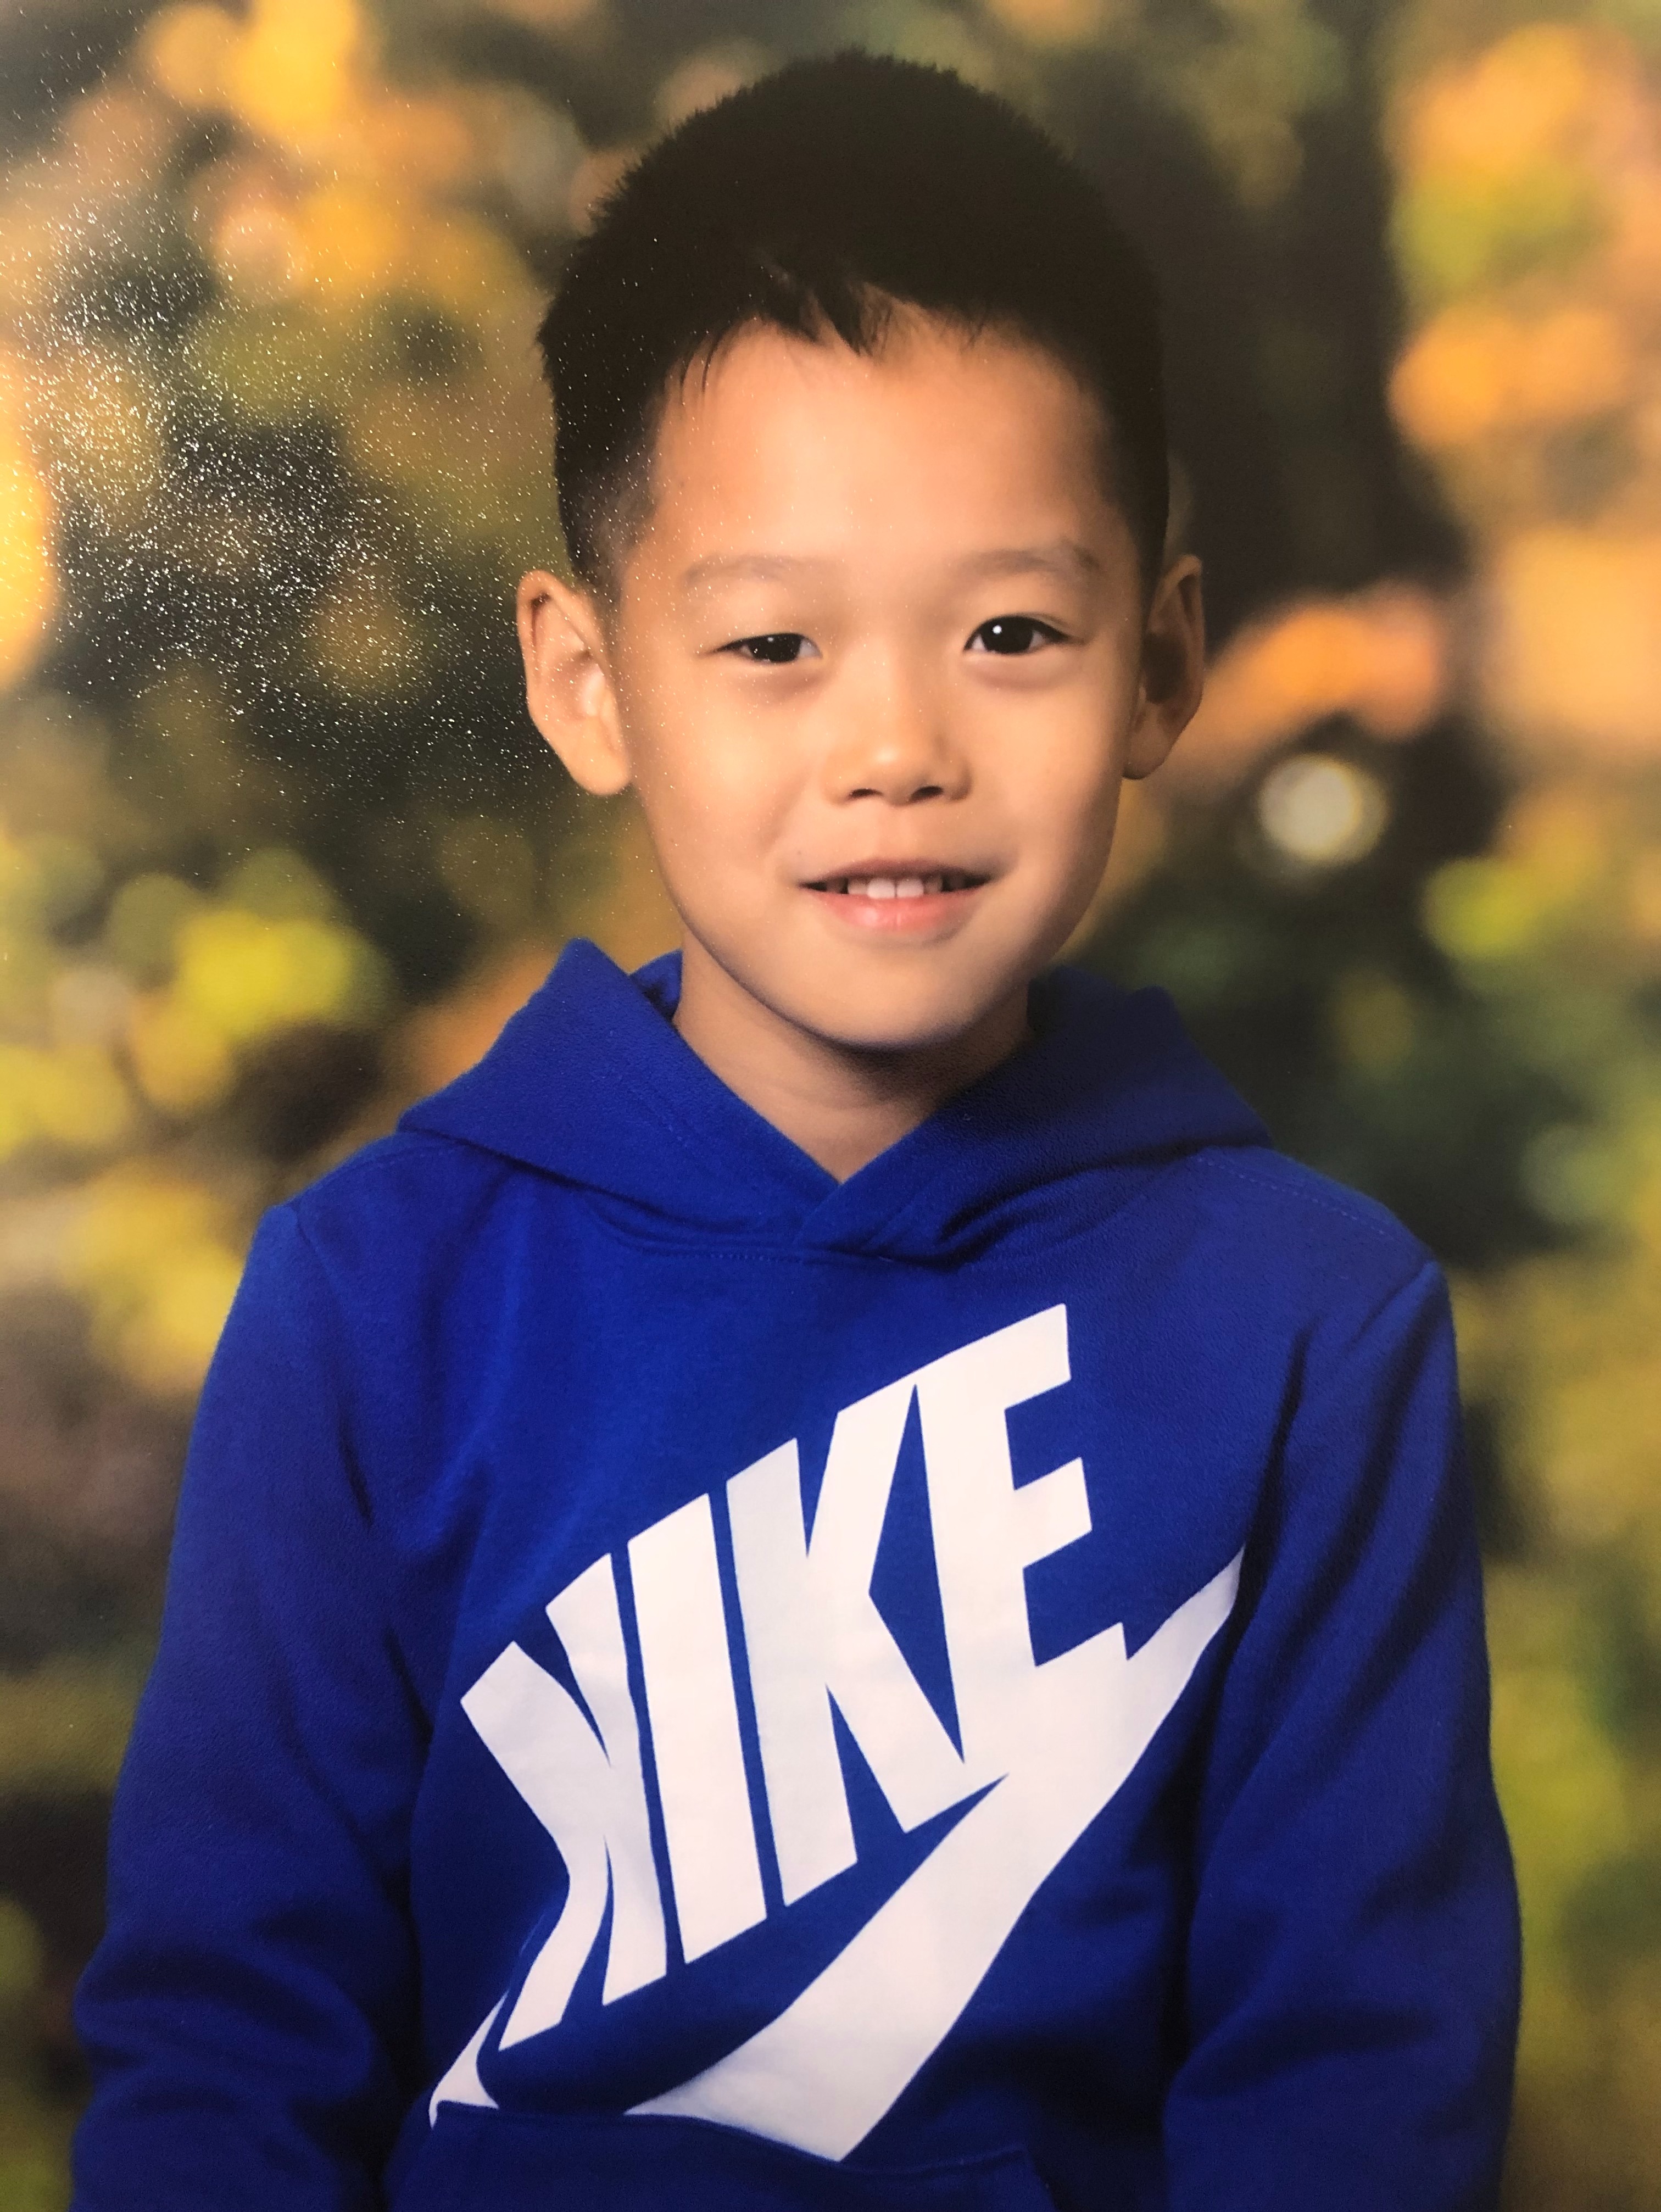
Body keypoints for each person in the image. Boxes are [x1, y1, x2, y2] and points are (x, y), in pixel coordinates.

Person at [71, 51, 1520, 2212]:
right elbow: (225, 2056)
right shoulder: (372, 1300)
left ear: (1161, 661)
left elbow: (1357, 2083)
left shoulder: (1316, 1322)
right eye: (775, 641)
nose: (897, 743)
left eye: (1011, 630)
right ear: (587, 681)